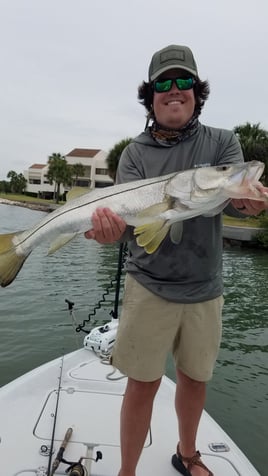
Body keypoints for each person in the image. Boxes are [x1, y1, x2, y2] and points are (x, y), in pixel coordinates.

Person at [85, 45, 268, 476]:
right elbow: (130, 228)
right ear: (151, 96)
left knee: (194, 380)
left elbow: (233, 197)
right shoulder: (135, 154)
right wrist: (109, 233)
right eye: (163, 83)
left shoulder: (223, 143)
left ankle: (188, 455)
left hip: (205, 287)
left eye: (183, 81)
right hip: (148, 285)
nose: (174, 90)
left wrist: (248, 204)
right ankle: (127, 471)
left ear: (196, 92)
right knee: (143, 383)